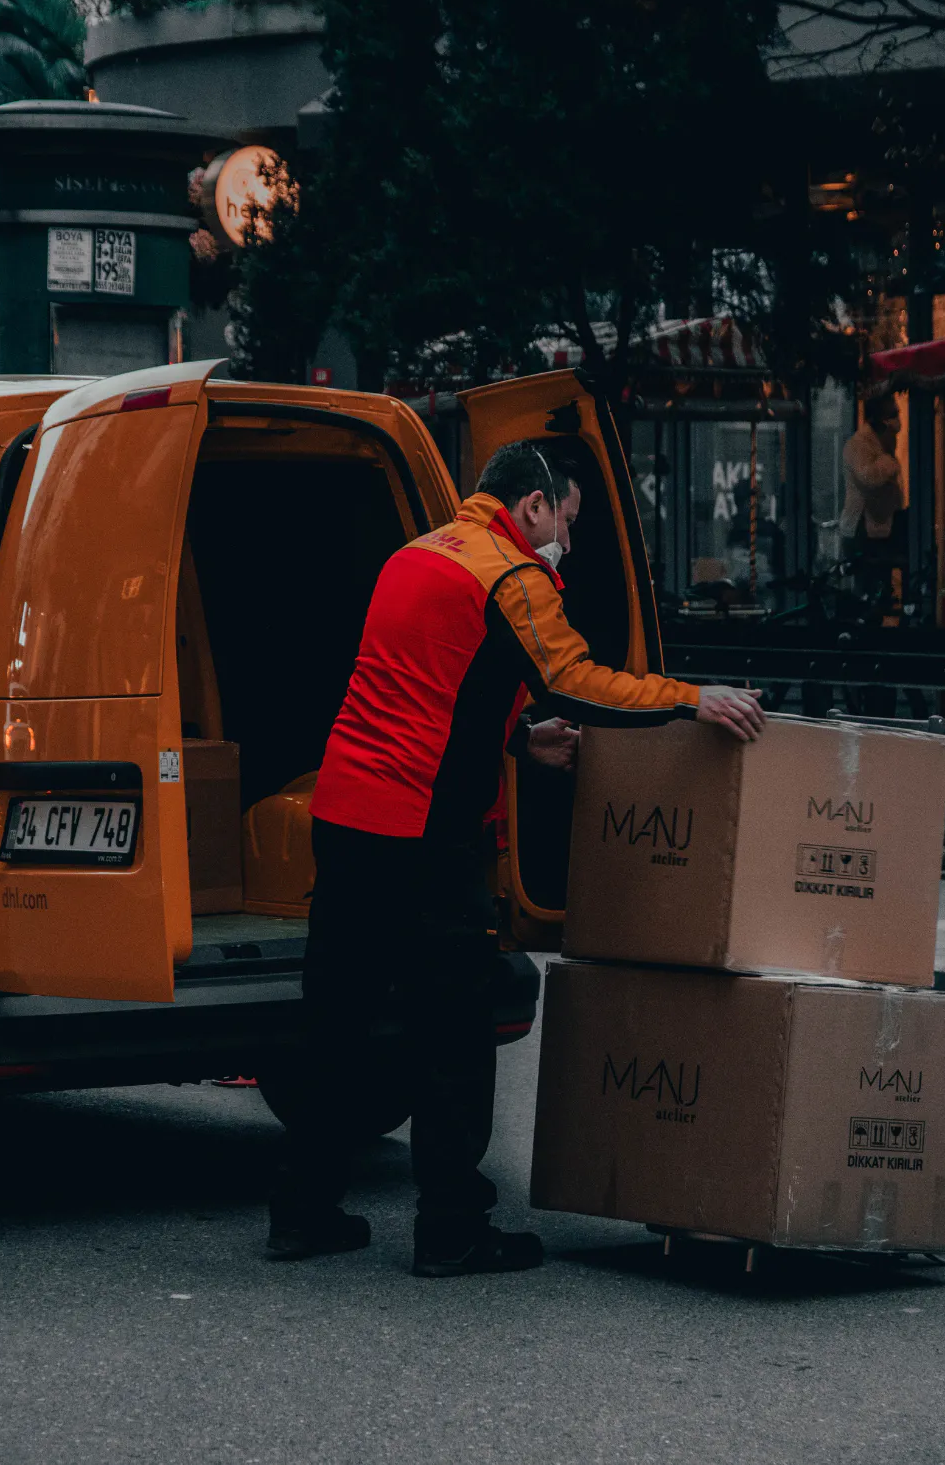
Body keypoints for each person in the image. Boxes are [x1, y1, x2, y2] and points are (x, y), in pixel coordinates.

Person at [268, 443, 766, 1276]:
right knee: (453, 1028)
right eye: (567, 518)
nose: (565, 536)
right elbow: (574, 681)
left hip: (347, 809)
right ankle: (452, 1228)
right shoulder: (508, 572)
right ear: (533, 506)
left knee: (336, 1020)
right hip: (424, 832)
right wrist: (690, 697)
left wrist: (515, 739)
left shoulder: (415, 554)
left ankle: (303, 1209)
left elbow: (421, 686)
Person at [840, 389, 906, 612]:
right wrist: (889, 461)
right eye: (893, 414)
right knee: (867, 588)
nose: (898, 421)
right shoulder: (859, 445)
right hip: (862, 528)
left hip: (882, 525)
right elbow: (868, 477)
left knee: (882, 586)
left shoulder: (884, 442)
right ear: (879, 419)